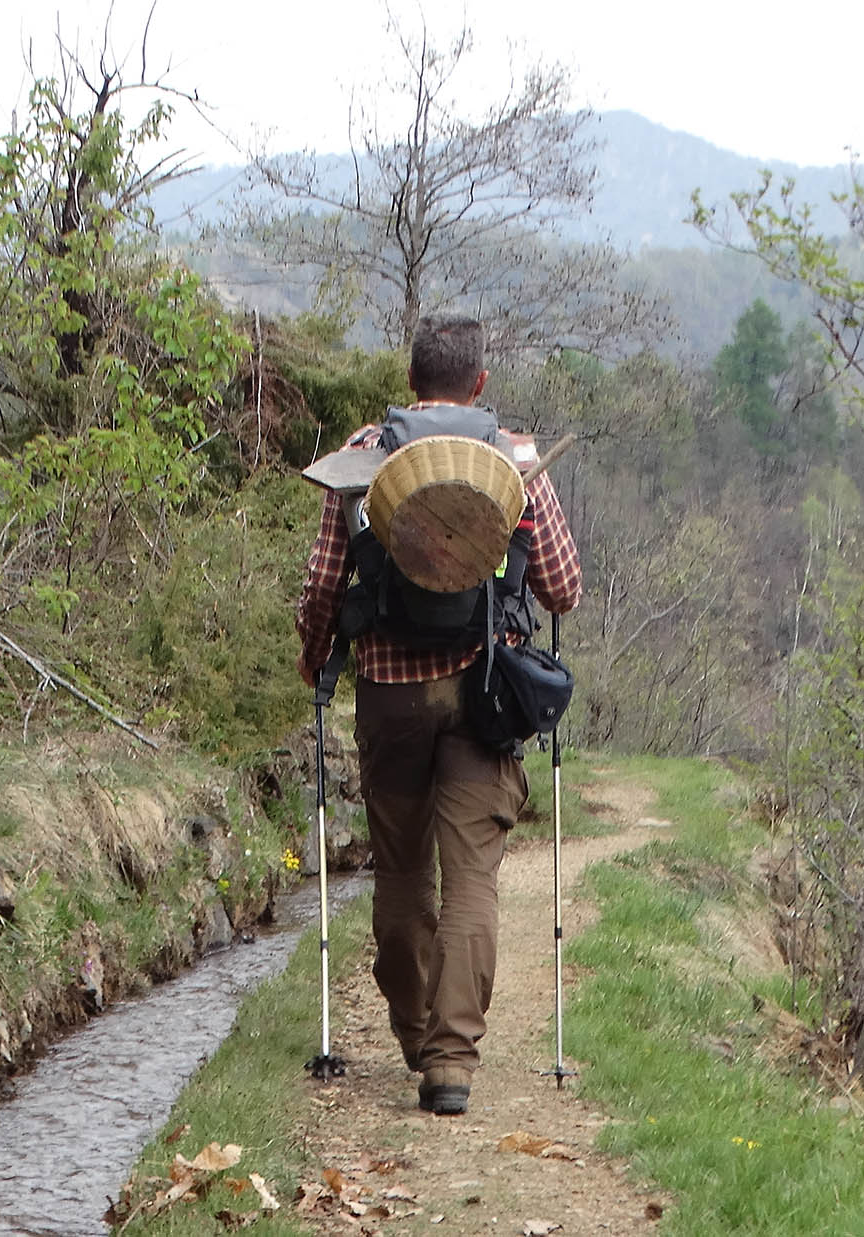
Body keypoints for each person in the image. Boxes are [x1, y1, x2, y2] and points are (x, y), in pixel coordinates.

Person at [293, 315, 582, 1116]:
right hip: (485, 691)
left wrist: (315, 658)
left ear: (410, 379)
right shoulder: (515, 458)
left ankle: (418, 1033)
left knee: (402, 872)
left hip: (390, 694)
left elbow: (322, 584)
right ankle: (451, 1062)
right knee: (471, 881)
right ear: (479, 383)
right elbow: (562, 586)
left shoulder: (363, 456)